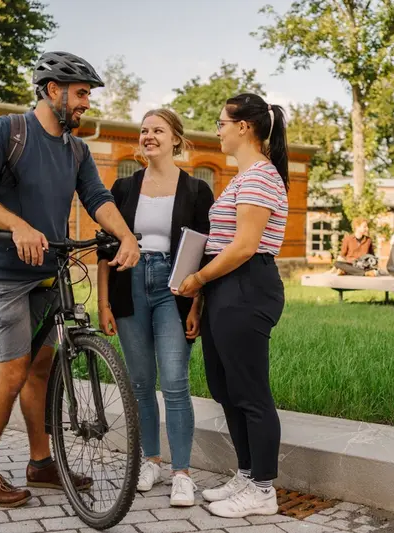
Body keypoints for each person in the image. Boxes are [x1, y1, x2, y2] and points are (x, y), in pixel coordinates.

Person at [0, 51, 140, 508]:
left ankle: (41, 464)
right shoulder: (8, 131)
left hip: (48, 273)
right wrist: (17, 225)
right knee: (14, 371)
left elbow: (96, 197)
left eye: (87, 96)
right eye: (80, 94)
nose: (85, 104)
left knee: (41, 369)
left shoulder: (75, 149)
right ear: (51, 89)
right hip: (2, 274)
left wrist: (125, 236)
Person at [174, 93, 288, 518]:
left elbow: (243, 246)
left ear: (243, 127)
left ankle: (263, 489)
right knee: (225, 388)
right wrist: (203, 296)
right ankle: (246, 472)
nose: (217, 130)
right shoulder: (243, 178)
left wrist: (199, 278)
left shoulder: (260, 177)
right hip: (225, 290)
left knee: (250, 392)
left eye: (222, 122)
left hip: (247, 287)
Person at [97, 109, 214, 507]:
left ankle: (182, 473)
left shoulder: (197, 191)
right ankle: (150, 460)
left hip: (174, 288)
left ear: (176, 139)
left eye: (158, 130)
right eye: (144, 131)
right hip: (128, 285)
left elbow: (202, 252)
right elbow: (105, 248)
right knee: (142, 383)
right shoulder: (124, 188)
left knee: (176, 383)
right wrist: (103, 303)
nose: (149, 136)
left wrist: (197, 304)